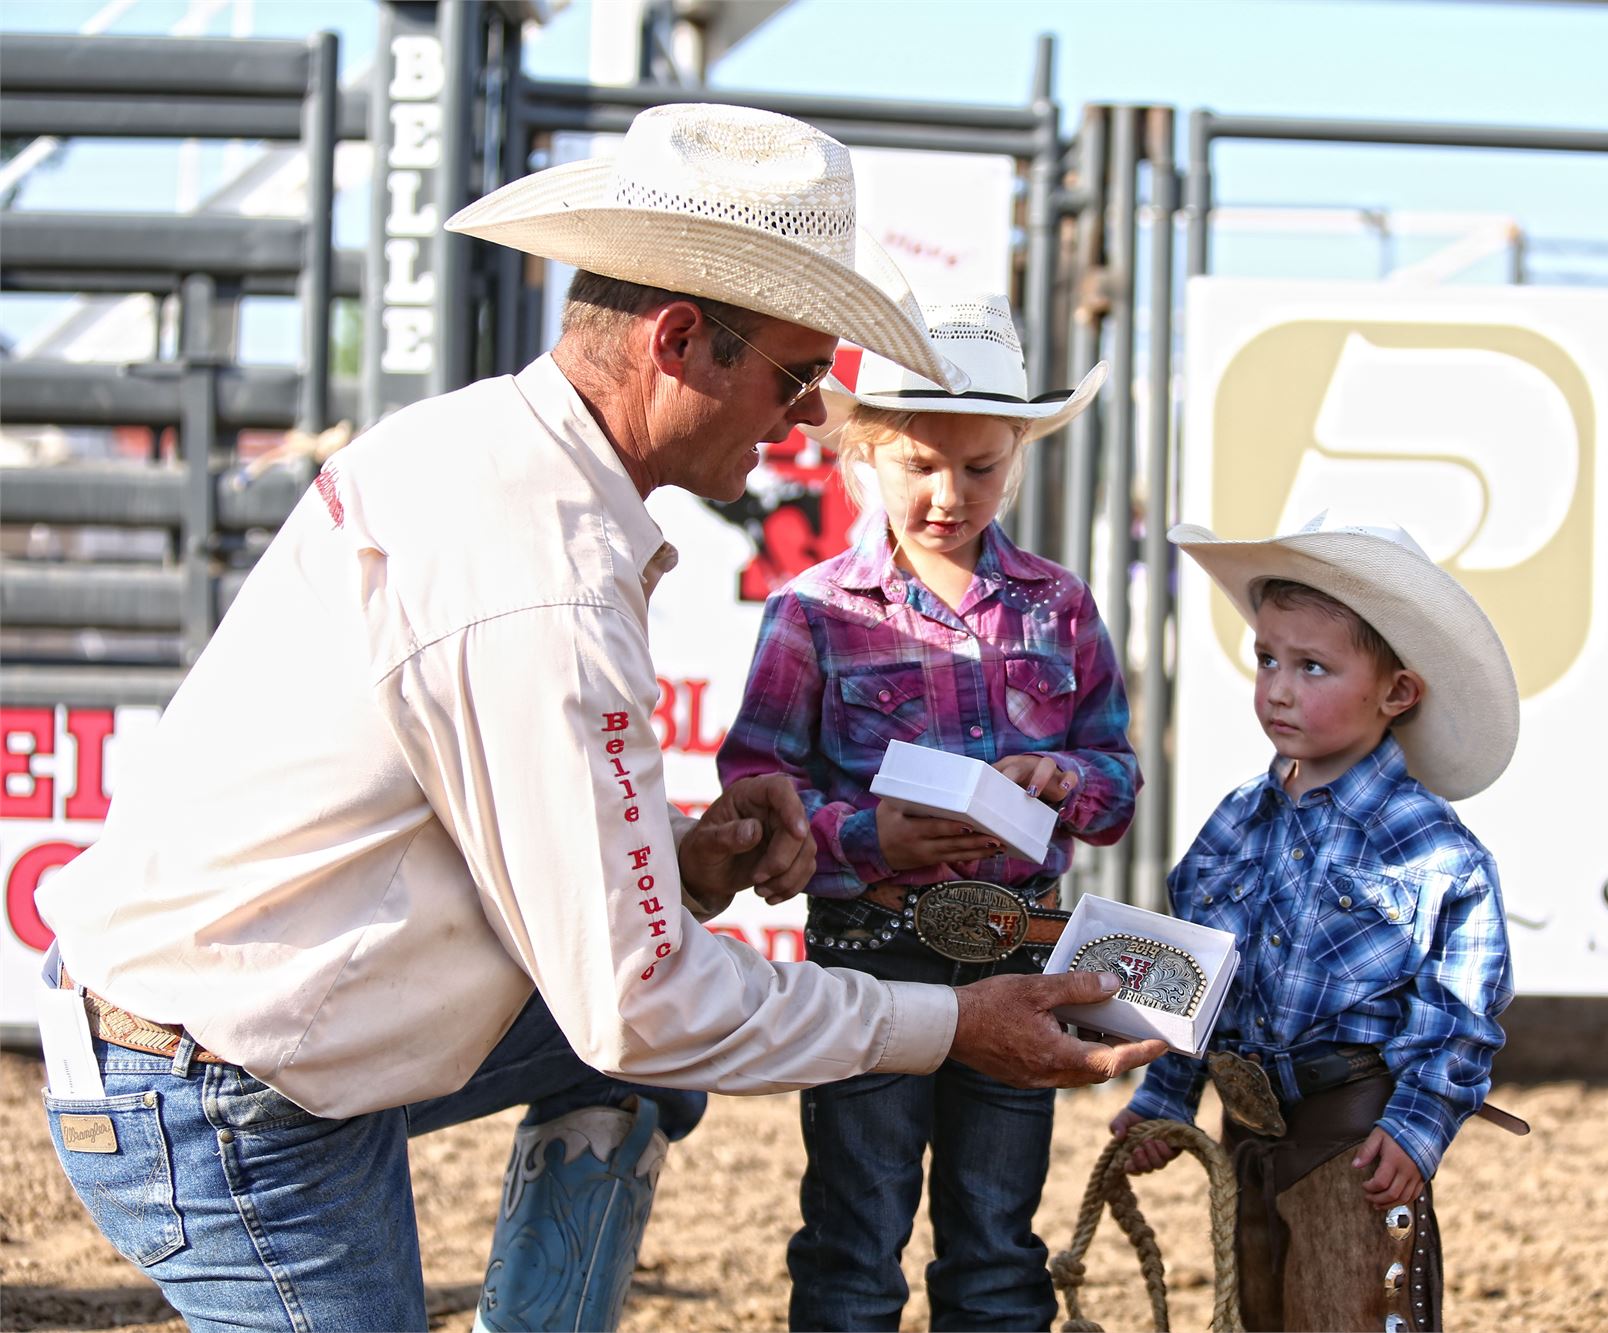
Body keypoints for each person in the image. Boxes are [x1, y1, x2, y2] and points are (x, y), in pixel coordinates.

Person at [32, 104, 1161, 1333]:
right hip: (223, 1085)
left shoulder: (494, 464)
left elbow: (509, 852)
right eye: (794, 373)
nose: (799, 417)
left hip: (243, 1029)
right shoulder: (545, 579)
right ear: (681, 340)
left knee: (649, 1036)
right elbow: (638, 997)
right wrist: (949, 1024)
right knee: (650, 1034)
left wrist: (680, 862)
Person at [717, 292, 1133, 1332]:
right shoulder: (811, 610)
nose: (949, 491)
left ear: (1015, 456)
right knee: (857, 1237)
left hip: (1015, 951)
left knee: (996, 1240)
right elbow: (755, 797)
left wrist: (1061, 783)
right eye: (917, 462)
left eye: (979, 466)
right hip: (867, 957)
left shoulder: (1061, 606)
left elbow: (1114, 774)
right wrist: (864, 836)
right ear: (861, 456)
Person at [1108, 513, 1520, 1333]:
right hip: (1247, 1140)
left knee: (1351, 1307)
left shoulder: (1431, 847)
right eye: (1267, 659)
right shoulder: (1235, 821)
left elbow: (1462, 1009)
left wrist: (1419, 1123)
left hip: (1357, 1143)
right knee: (1256, 1308)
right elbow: (1192, 978)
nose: (1279, 687)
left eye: (1312, 666)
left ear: (1397, 691)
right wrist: (1165, 1096)